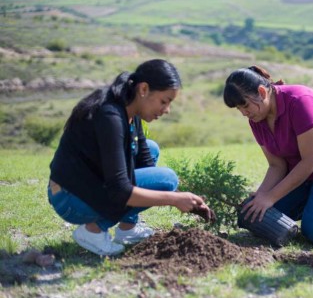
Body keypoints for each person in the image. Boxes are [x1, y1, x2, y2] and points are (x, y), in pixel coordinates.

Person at [48, 59, 215, 256]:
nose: (167, 110)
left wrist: (187, 201)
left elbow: (146, 165)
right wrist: (173, 198)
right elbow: (121, 190)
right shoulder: (110, 117)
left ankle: (127, 229)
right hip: (70, 199)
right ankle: (92, 231)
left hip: (87, 186)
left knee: (152, 151)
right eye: (164, 101)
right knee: (167, 178)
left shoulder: (130, 111)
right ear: (143, 89)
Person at [223, 66, 313, 245]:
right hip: (302, 175)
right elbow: (276, 165)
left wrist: (271, 197)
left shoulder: (300, 100)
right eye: (238, 109)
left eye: (245, 105)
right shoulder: (256, 118)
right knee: (253, 214)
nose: (244, 113)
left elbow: (312, 160)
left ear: (262, 92)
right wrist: (261, 195)